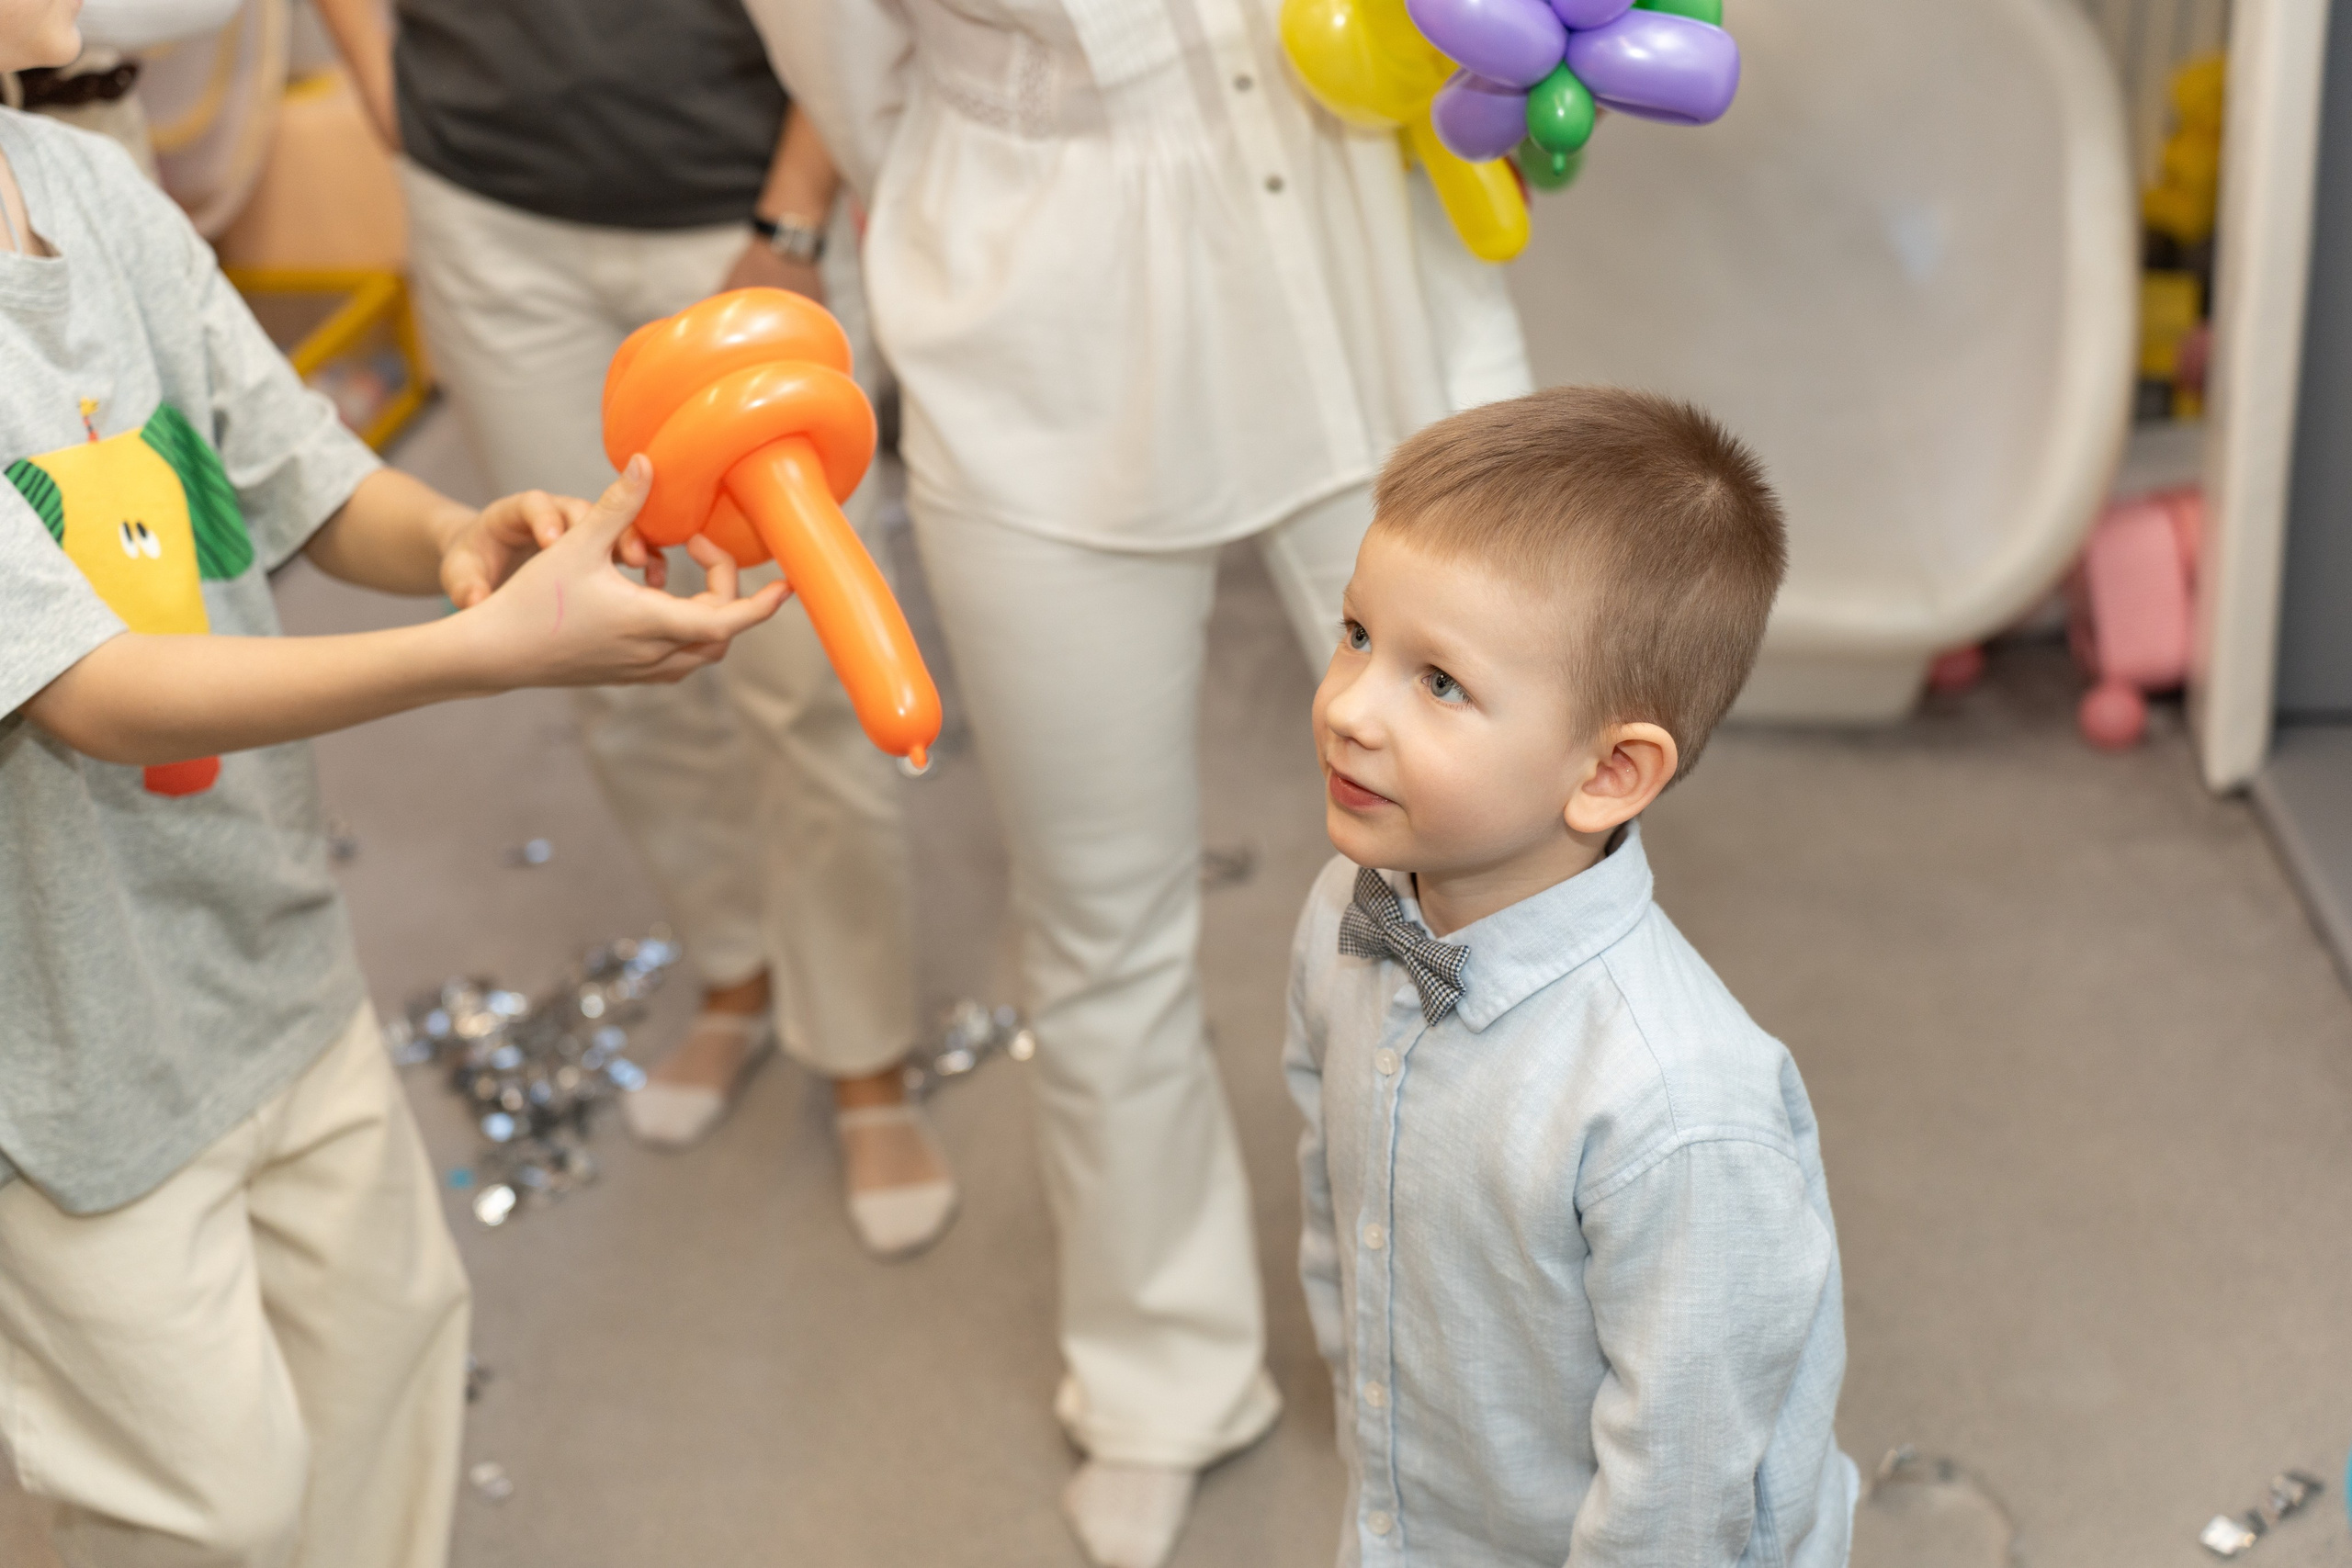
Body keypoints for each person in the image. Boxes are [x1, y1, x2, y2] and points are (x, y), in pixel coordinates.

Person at [0, 4, 784, 1552]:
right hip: (62, 1062)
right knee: (207, 1501)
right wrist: (480, 655)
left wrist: (450, 546)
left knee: (389, 1364)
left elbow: (295, 460)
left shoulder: (84, 187)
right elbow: (90, 690)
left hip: (270, 949)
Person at [754, 2, 1531, 1560]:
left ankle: (1500, 1348)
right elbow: (851, 71)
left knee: (1500, 866)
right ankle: (1158, 1371)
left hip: (1350, 264)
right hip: (1032, 313)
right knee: (1099, 907)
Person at [311, 0, 956, 1256]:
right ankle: (738, 965)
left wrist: (789, 214)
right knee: (592, 640)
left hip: (729, 206)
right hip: (488, 206)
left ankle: (865, 1048)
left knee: (804, 668)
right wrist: (390, 96)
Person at [1287, 387, 1856, 1566]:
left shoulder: (1677, 1109)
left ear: (1608, 773)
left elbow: (1682, 1489)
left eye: (1437, 682)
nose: (1348, 708)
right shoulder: (1345, 912)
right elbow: (1333, 1205)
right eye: (1356, 635)